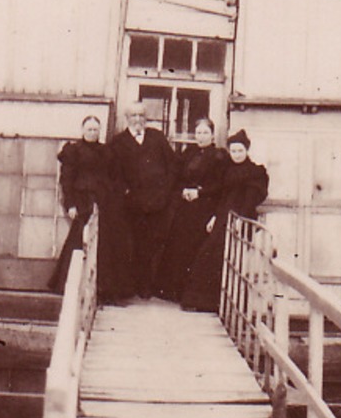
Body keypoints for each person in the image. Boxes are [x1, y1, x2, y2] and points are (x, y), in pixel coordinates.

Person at [181, 129, 269, 313]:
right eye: (233, 151)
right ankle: (206, 302)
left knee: (229, 257)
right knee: (207, 253)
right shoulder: (228, 171)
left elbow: (252, 198)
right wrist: (214, 216)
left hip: (240, 217)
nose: (237, 155)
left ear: (247, 151)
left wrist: (241, 219)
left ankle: (227, 304)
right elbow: (222, 195)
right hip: (222, 215)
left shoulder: (255, 171)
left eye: (240, 151)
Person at [105, 101, 177, 300]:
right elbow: (112, 175)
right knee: (131, 245)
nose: (138, 120)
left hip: (157, 205)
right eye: (134, 116)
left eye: (141, 116)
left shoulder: (157, 138)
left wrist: (164, 193)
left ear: (146, 118)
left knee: (152, 246)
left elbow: (172, 167)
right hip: (131, 206)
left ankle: (147, 286)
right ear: (127, 118)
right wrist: (126, 193)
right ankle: (130, 287)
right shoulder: (118, 142)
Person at [154, 118, 228, 301]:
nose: (201, 137)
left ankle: (190, 293)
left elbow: (220, 185)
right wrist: (183, 190)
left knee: (196, 248)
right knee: (179, 246)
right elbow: (179, 176)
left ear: (212, 135)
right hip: (186, 208)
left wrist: (200, 193)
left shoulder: (219, 156)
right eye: (198, 133)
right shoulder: (190, 152)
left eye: (205, 133)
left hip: (205, 208)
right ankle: (172, 291)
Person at [48, 116, 112, 294]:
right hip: (81, 201)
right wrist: (71, 205)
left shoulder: (105, 151)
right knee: (78, 240)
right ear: (83, 130)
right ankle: (68, 284)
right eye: (89, 129)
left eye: (96, 130)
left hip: (101, 202)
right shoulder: (74, 151)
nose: (92, 133)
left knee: (101, 243)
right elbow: (67, 180)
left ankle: (98, 288)